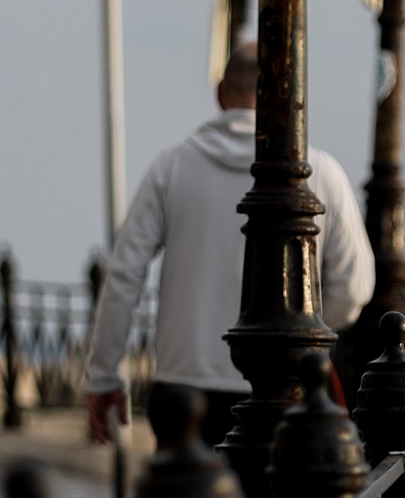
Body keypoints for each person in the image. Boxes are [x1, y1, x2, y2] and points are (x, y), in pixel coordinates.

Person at [86, 42, 373, 449]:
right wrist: (305, 331)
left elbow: (123, 275)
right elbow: (354, 287)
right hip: (289, 390)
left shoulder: (172, 167)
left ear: (221, 92)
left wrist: (103, 375)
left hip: (185, 389)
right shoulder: (321, 172)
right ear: (290, 94)